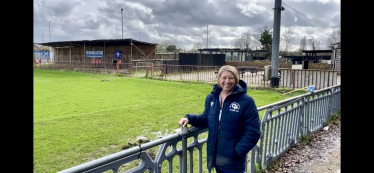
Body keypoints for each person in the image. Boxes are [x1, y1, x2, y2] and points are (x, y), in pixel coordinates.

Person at [178, 65, 261, 173]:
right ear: (219, 78)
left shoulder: (246, 101)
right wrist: (189, 118)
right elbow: (206, 118)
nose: (227, 81)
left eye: (231, 78)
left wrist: (236, 152)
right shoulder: (212, 97)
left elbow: (253, 132)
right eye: (224, 77)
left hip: (234, 162)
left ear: (236, 79)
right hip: (216, 158)